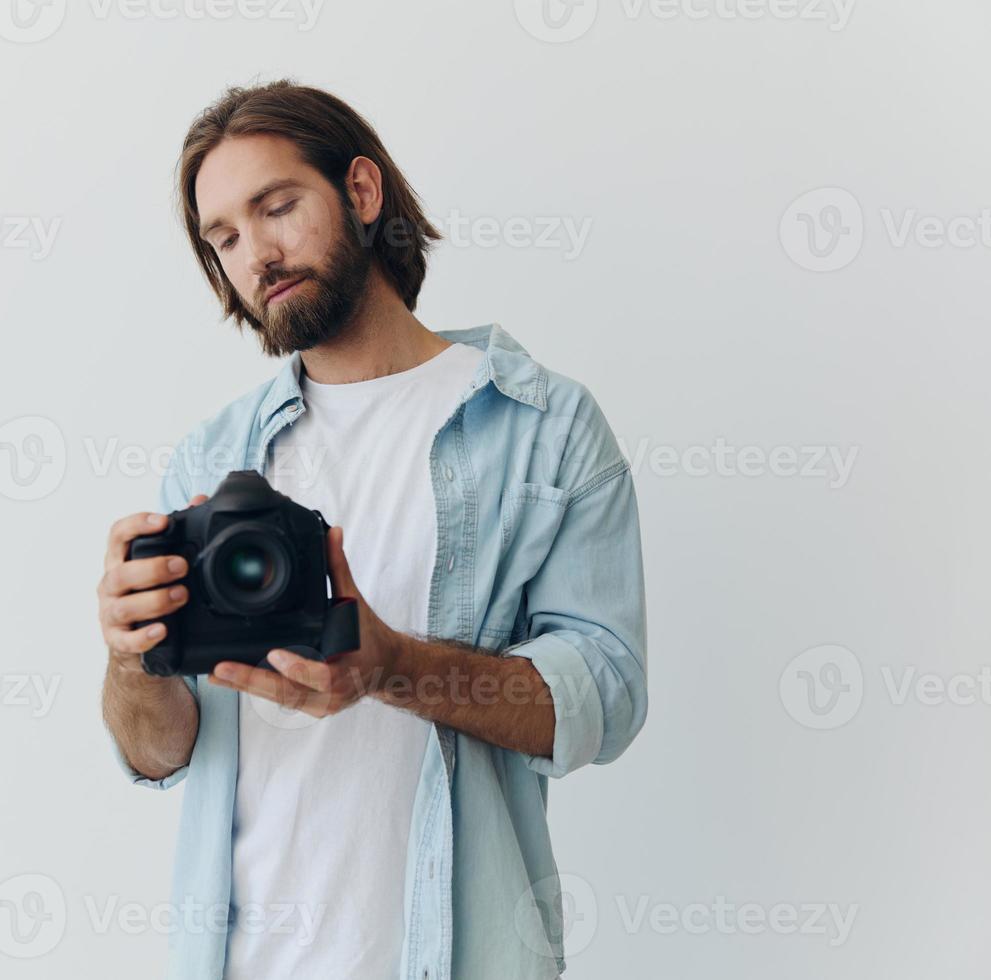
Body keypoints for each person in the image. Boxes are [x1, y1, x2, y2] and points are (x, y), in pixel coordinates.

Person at [98, 79, 648, 980]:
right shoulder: (209, 460)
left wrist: (391, 666)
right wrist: (131, 659)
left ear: (361, 192)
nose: (257, 256)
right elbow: (162, 752)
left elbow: (608, 700)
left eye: (277, 207)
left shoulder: (544, 427)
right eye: (225, 238)